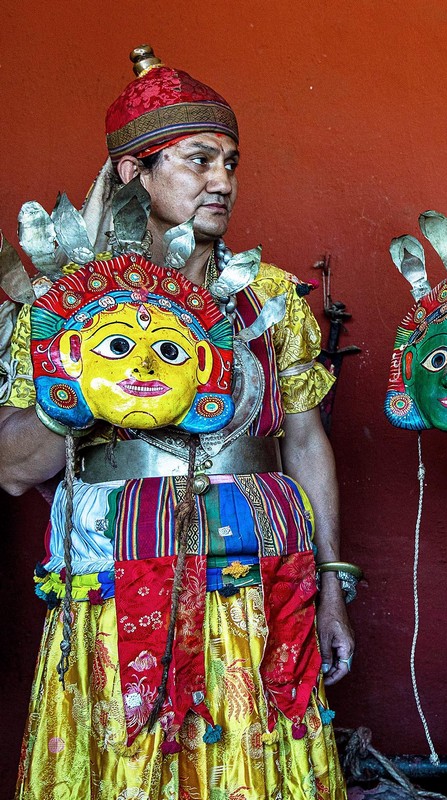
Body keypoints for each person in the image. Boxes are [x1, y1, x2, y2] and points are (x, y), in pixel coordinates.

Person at [0, 46, 354, 799]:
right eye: (199, 160)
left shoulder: (270, 299)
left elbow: (305, 441)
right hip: (117, 570)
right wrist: (95, 372)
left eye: (230, 161)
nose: (223, 179)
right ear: (133, 172)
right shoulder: (63, 306)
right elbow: (13, 467)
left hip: (261, 577)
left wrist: (329, 586)